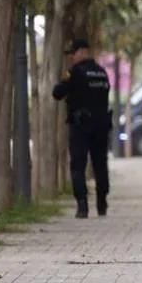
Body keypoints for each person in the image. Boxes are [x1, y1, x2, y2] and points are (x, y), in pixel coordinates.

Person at [52, 39, 112, 219]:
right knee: (100, 164)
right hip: (101, 125)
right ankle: (102, 202)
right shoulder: (102, 73)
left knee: (78, 165)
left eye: (72, 54)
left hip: (81, 126)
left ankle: (82, 206)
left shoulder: (75, 72)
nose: (71, 57)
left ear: (80, 52)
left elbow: (57, 93)